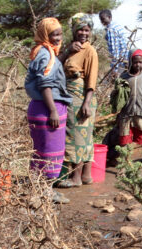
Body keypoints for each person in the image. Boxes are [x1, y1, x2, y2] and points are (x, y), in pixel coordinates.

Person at [24, 17, 72, 204]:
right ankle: (44, 192)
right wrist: (53, 110)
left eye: (60, 33)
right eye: (54, 34)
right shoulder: (45, 54)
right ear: (45, 35)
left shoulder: (44, 52)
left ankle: (44, 190)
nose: (58, 38)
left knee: (41, 152)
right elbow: (45, 84)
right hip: (47, 108)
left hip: (41, 107)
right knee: (49, 152)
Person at [55, 13, 99, 188]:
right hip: (71, 96)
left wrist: (86, 103)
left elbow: (91, 79)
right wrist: (68, 51)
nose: (83, 33)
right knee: (83, 136)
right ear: (73, 30)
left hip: (81, 97)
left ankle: (76, 178)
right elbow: (55, 65)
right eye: (80, 29)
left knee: (76, 137)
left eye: (87, 30)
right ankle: (86, 176)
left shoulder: (90, 51)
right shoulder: (71, 48)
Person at [112, 49, 142, 164]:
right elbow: (118, 95)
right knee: (124, 138)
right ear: (130, 61)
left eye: (140, 62)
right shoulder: (124, 77)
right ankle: (125, 161)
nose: (138, 65)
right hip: (126, 112)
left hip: (141, 111)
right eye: (135, 62)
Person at [99, 9, 129, 75]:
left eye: (103, 19)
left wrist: (114, 69)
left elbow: (115, 51)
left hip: (121, 62)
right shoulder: (116, 26)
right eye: (101, 20)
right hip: (126, 60)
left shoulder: (111, 30)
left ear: (109, 17)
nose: (102, 22)